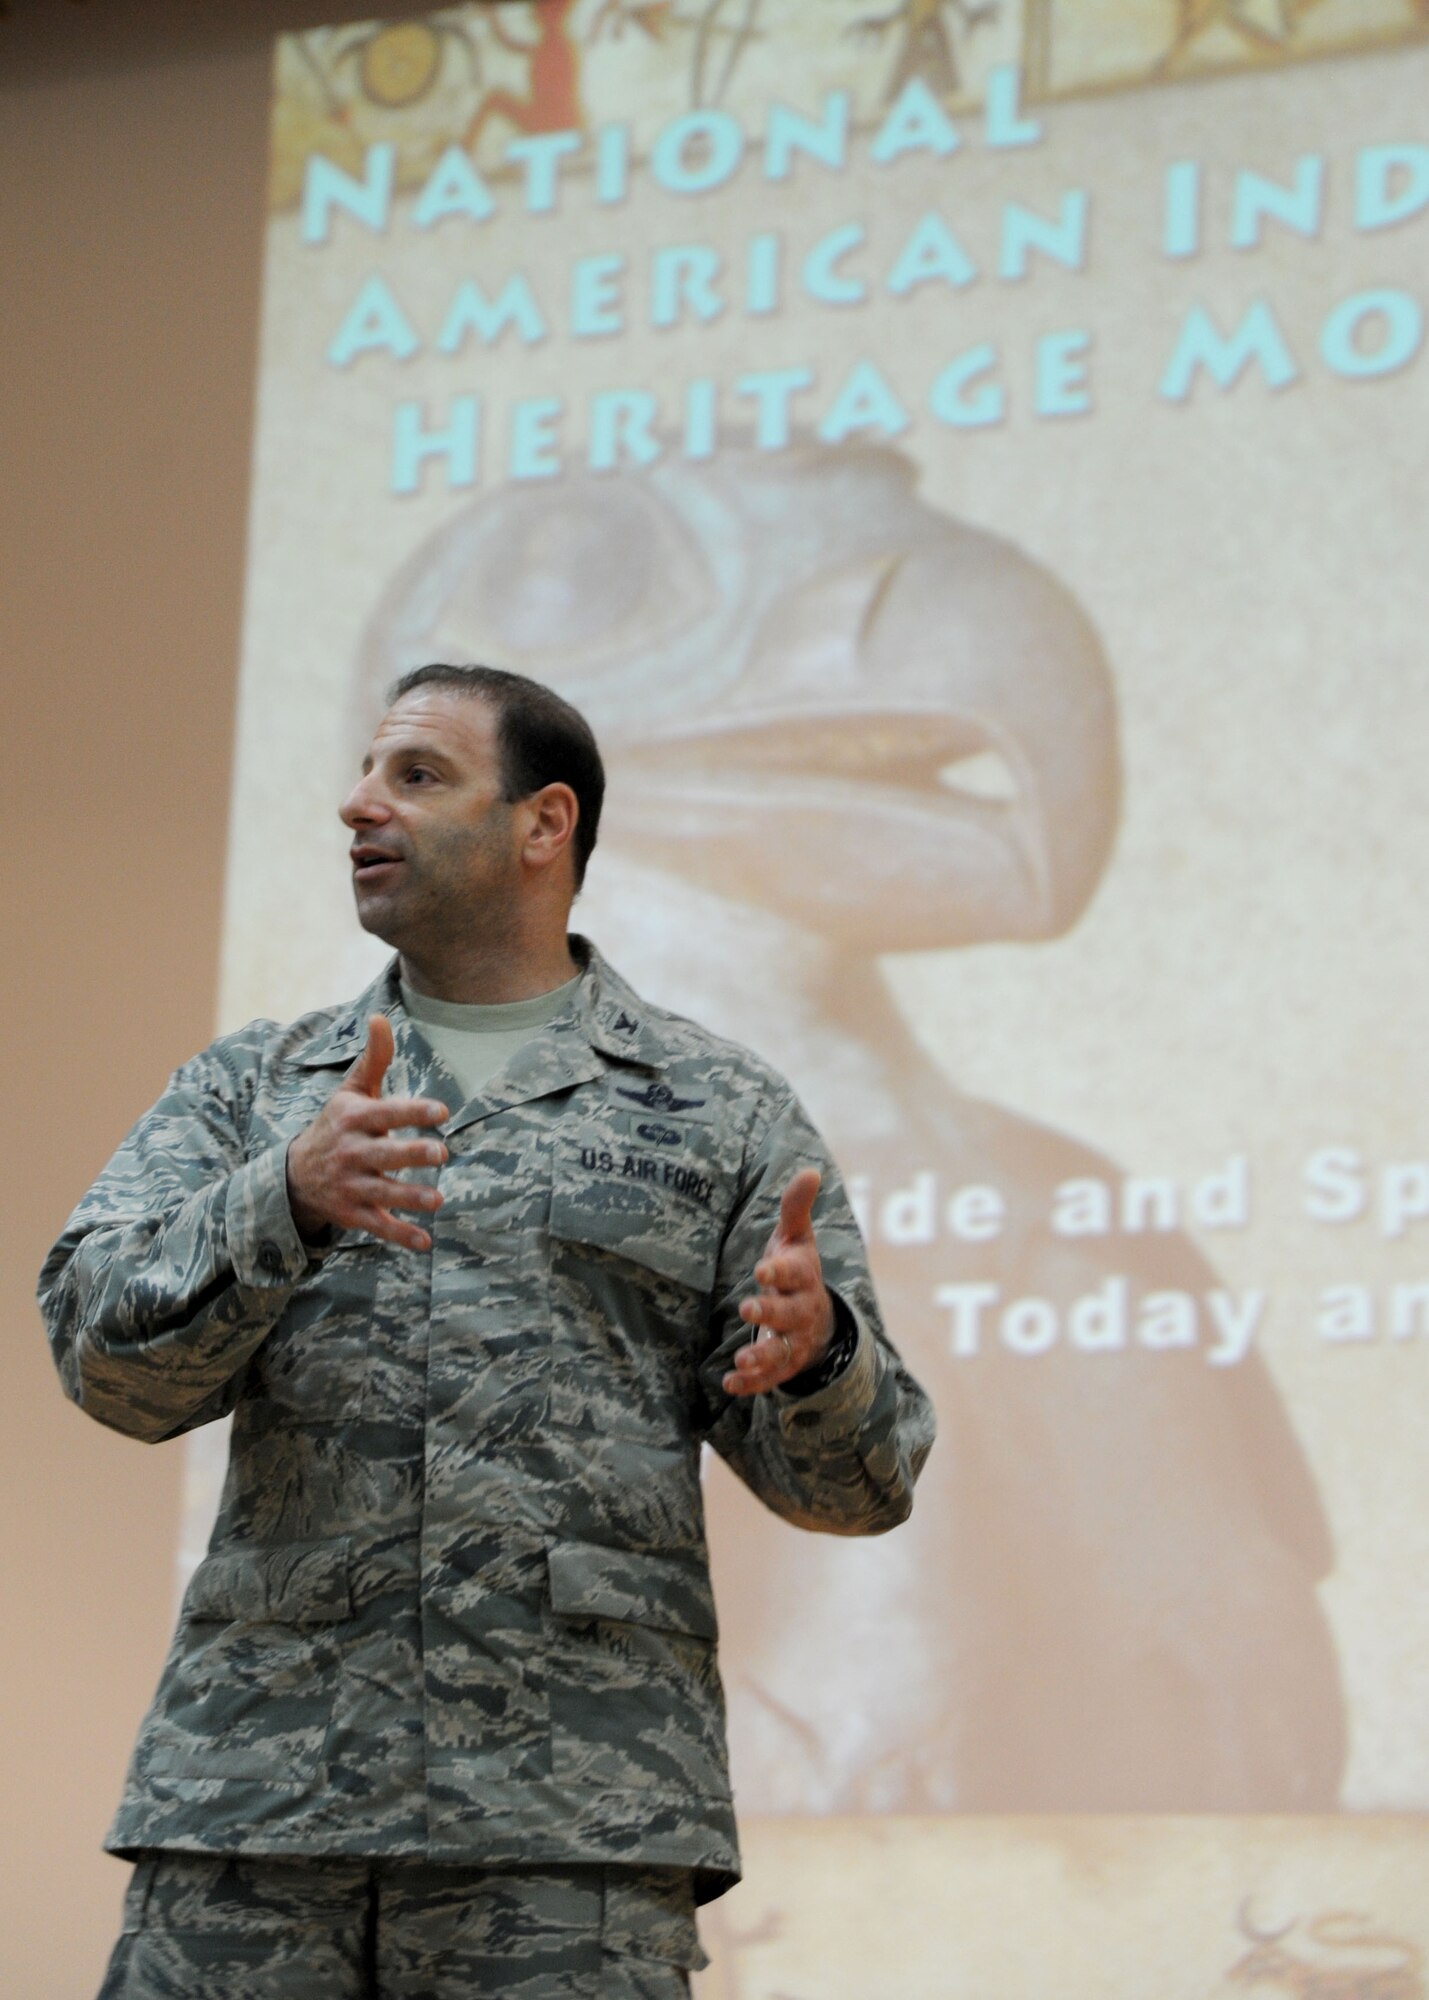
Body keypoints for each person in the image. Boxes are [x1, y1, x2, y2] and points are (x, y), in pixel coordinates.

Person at [38, 662, 935, 2000]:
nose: (358, 805)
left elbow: (864, 1487)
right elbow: (103, 1363)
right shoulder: (256, 1087)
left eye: (415, 775)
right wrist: (279, 1197)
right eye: (363, 773)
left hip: (572, 1837)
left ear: (541, 822)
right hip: (252, 1814)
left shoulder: (720, 1112)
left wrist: (819, 1363)